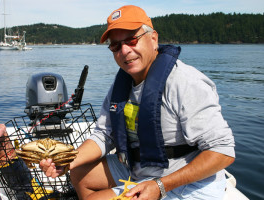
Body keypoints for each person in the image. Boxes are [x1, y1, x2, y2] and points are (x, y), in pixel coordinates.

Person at [40, 5, 235, 200]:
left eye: (131, 40)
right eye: (115, 46)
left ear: (153, 39)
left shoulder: (186, 82)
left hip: (187, 182)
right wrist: (68, 160)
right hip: (138, 167)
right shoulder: (122, 85)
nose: (124, 51)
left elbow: (223, 151)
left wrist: (160, 185)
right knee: (79, 172)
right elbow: (104, 135)